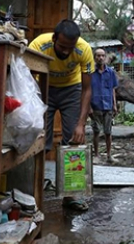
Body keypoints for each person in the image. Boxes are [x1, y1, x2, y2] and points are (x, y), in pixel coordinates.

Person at [29, 19, 93, 211]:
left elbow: (87, 89)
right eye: (63, 46)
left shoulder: (84, 49)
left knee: (74, 140)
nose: (66, 52)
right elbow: (27, 80)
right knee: (40, 141)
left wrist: (81, 123)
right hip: (44, 87)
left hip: (71, 90)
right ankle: (34, 192)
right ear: (55, 38)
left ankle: (70, 195)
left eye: (70, 48)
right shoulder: (39, 44)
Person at [89, 47, 118, 163]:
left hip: (108, 106)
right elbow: (87, 90)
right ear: (94, 58)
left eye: (102, 56)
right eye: (98, 56)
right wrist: (88, 107)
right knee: (96, 131)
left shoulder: (110, 72)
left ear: (105, 57)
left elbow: (113, 89)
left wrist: (115, 105)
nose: (100, 58)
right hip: (95, 106)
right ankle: (96, 155)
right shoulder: (90, 72)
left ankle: (109, 155)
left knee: (108, 132)